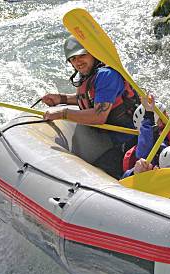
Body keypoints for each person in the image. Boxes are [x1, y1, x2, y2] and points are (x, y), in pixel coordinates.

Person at [41, 35, 140, 178]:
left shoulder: (107, 75)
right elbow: (89, 99)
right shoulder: (89, 75)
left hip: (133, 140)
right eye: (73, 59)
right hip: (115, 140)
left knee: (99, 173)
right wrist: (61, 98)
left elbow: (98, 116)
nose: (78, 62)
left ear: (93, 53)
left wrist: (63, 113)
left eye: (82, 55)